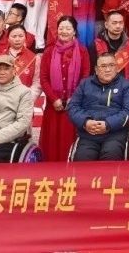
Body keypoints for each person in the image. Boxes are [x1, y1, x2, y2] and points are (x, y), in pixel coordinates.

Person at [67, 53, 129, 161]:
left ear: (117, 68)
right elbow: (72, 107)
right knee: (82, 159)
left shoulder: (126, 86)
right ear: (96, 69)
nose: (108, 70)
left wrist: (108, 124)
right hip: (89, 135)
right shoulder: (84, 84)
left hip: (115, 134)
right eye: (103, 66)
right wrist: (85, 122)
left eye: (111, 65)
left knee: (111, 155)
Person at [39, 16, 91, 162]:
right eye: (61, 28)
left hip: (74, 105)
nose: (64, 31)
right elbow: (43, 78)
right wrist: (54, 99)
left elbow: (85, 77)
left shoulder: (82, 51)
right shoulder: (49, 52)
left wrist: (73, 98)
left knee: (69, 140)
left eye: (68, 28)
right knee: (52, 141)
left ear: (74, 31)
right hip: (53, 106)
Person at [91, 10, 129, 83]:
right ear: (106, 25)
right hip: (104, 85)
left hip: (126, 86)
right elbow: (93, 70)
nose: (118, 26)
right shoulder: (96, 44)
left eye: (121, 23)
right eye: (114, 23)